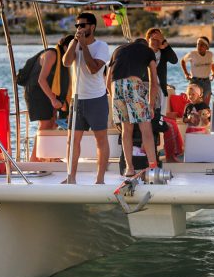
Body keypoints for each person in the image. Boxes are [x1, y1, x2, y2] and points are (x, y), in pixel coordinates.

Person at [61, 13, 111, 184]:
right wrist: (75, 43)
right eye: (77, 26)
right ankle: (71, 177)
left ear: (92, 27)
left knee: (101, 140)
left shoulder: (102, 46)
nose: (79, 29)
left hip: (96, 98)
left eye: (83, 25)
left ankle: (100, 179)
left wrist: (84, 46)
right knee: (72, 141)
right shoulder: (74, 44)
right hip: (78, 99)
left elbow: (93, 69)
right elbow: (66, 62)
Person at [108, 38, 162, 177]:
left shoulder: (118, 49)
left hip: (116, 87)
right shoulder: (148, 51)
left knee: (127, 130)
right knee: (146, 128)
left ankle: (129, 168)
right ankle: (153, 167)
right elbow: (154, 82)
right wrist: (150, 106)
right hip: (133, 85)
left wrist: (114, 95)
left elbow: (108, 81)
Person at [23, 34, 73, 161]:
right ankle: (34, 159)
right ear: (66, 46)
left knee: (53, 123)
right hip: (37, 92)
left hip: (48, 92)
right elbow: (41, 79)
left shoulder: (64, 59)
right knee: (45, 124)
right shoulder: (52, 54)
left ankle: (49, 157)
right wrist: (53, 99)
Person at [146, 28, 178, 115]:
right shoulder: (144, 53)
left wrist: (164, 42)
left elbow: (174, 60)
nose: (156, 42)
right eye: (153, 39)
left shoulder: (164, 52)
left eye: (158, 39)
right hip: (146, 90)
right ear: (148, 39)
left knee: (161, 117)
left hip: (162, 90)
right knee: (147, 117)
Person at [180, 36, 214, 105]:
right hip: (195, 82)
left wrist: (213, 72)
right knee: (194, 106)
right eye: (198, 44)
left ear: (207, 47)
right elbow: (183, 61)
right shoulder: (192, 54)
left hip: (207, 82)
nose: (199, 46)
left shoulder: (210, 54)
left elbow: (211, 63)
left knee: (205, 107)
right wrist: (186, 73)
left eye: (202, 44)